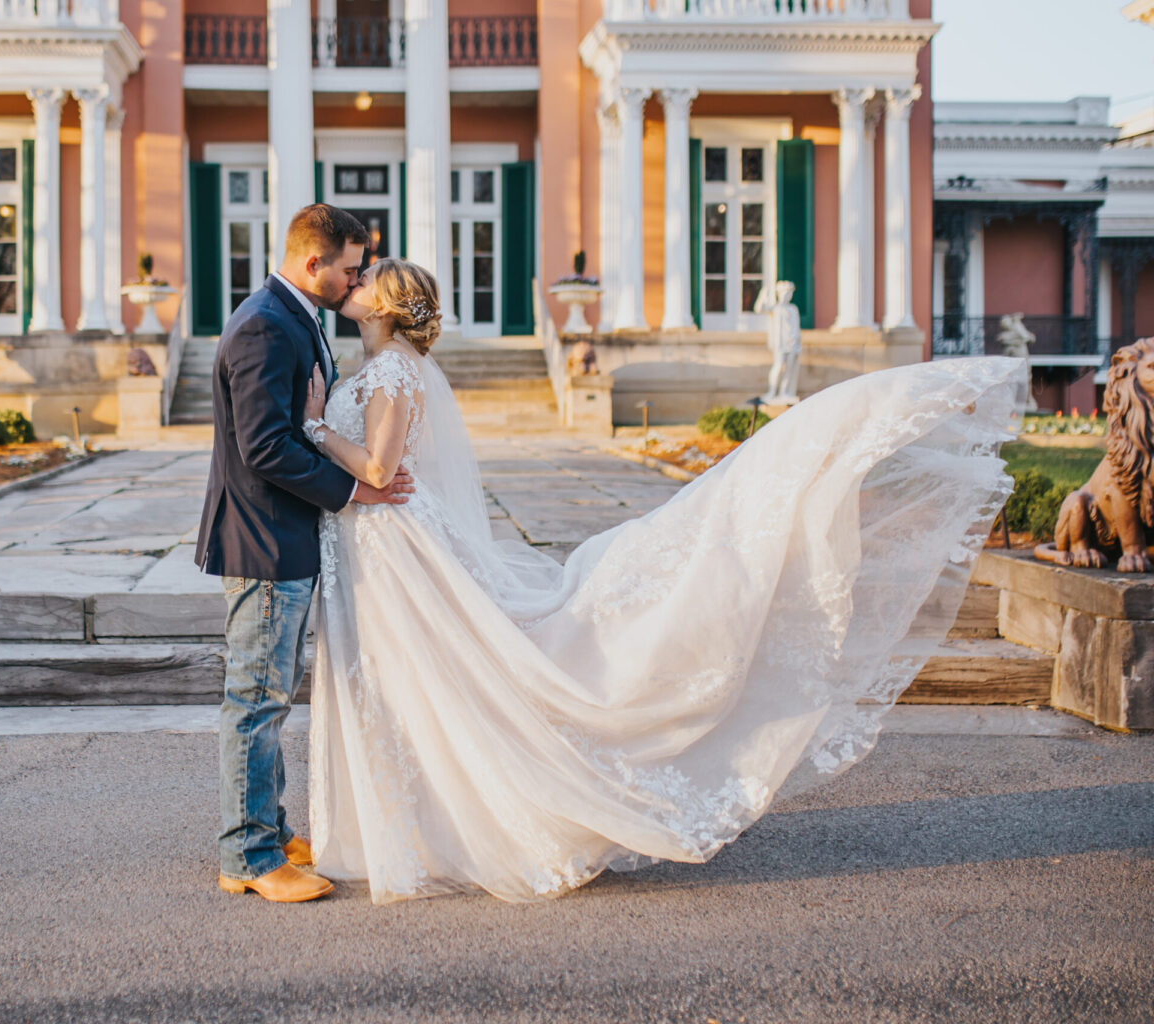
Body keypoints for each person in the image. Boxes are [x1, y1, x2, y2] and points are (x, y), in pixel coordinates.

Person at [301, 257, 1027, 904]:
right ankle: (411, 825)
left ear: (388, 304)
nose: (353, 281)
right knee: (409, 680)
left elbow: (377, 469)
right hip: (380, 543)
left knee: (431, 677)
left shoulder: (393, 369)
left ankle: (442, 826)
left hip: (393, 539)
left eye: (366, 278)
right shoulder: (375, 367)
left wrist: (312, 429)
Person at [196, 205, 413, 904]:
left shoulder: (294, 315)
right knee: (256, 701)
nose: (357, 281)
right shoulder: (265, 324)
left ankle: (269, 827)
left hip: (284, 537)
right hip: (263, 540)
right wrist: (354, 491)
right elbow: (265, 445)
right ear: (313, 262)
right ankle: (249, 857)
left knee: (269, 696)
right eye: (350, 268)